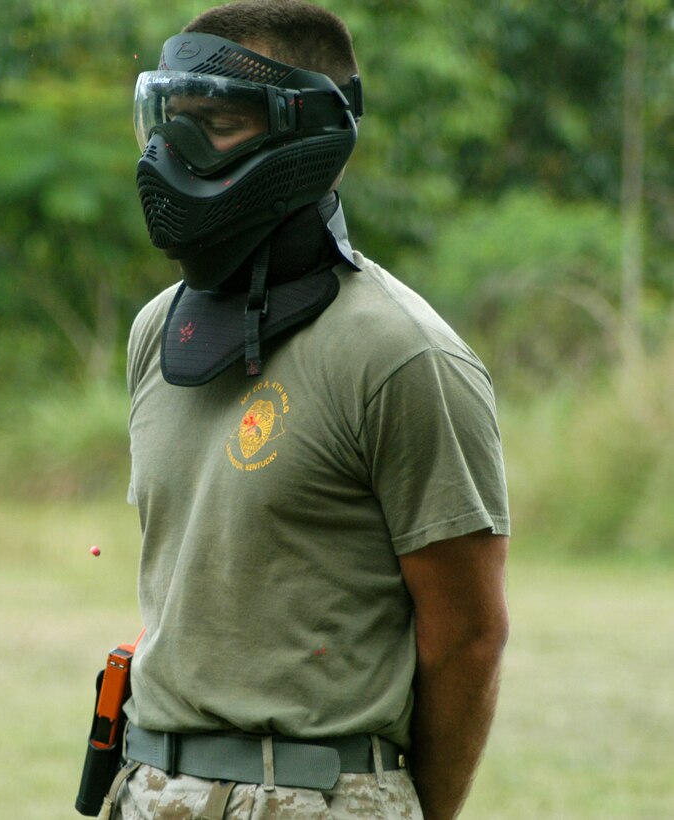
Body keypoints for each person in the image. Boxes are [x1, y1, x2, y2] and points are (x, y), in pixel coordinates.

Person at [109, 1, 510, 817]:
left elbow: (468, 635)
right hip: (150, 784)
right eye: (168, 120)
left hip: (318, 794)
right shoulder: (158, 330)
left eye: (214, 121)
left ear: (306, 134)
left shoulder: (400, 353)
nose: (171, 152)